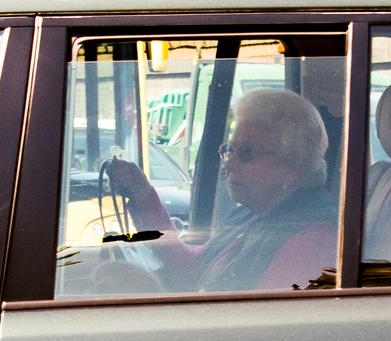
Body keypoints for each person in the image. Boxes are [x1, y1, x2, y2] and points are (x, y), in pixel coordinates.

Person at [112, 89, 338, 292]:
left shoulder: (314, 237)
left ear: (292, 167)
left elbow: (253, 320)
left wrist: (146, 290)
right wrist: (144, 196)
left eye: (246, 153)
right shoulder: (251, 214)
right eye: (230, 150)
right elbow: (194, 267)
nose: (229, 164)